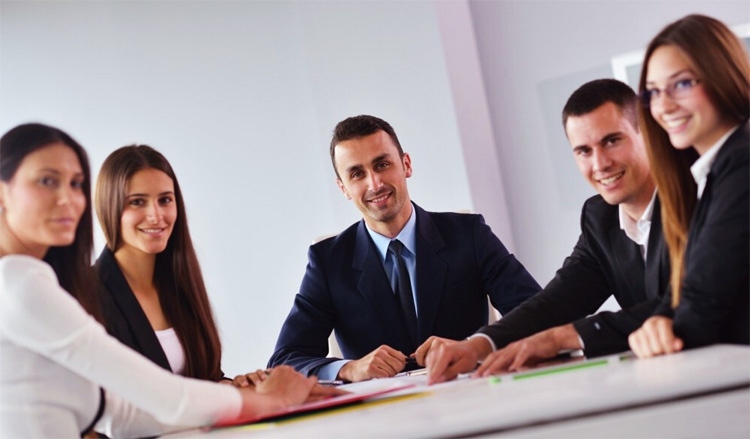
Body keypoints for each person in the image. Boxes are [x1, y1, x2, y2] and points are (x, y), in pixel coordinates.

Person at [0, 123, 338, 438]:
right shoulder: (20, 285)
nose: (69, 198)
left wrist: (239, 393)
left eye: (76, 183)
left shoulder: (32, 280)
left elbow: (118, 414)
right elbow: (161, 397)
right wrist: (272, 401)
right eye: (47, 180)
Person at [419, 79, 671, 383]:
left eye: (612, 141)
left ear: (646, 132)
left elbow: (688, 301)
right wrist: (480, 344)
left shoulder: (699, 199)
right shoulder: (599, 215)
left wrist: (564, 337)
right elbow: (559, 300)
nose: (600, 163)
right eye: (583, 151)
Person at [268, 115, 541, 382]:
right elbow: (285, 360)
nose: (374, 184)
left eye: (382, 164)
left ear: (406, 164)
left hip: (470, 397)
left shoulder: (469, 234)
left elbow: (539, 316)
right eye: (357, 174)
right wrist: (348, 369)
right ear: (344, 188)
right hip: (383, 418)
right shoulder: (328, 262)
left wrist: (475, 345)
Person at [628, 14, 749, 358]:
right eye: (653, 91)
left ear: (722, 74)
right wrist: (660, 320)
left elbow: (705, 301)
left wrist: (666, 330)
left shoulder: (742, 161)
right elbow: (685, 289)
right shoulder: (712, 170)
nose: (663, 106)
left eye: (681, 84)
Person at [94, 145, 227, 382]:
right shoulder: (90, 295)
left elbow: (207, 379)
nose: (156, 216)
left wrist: (239, 386)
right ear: (109, 207)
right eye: (137, 202)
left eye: (165, 200)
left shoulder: (179, 281)